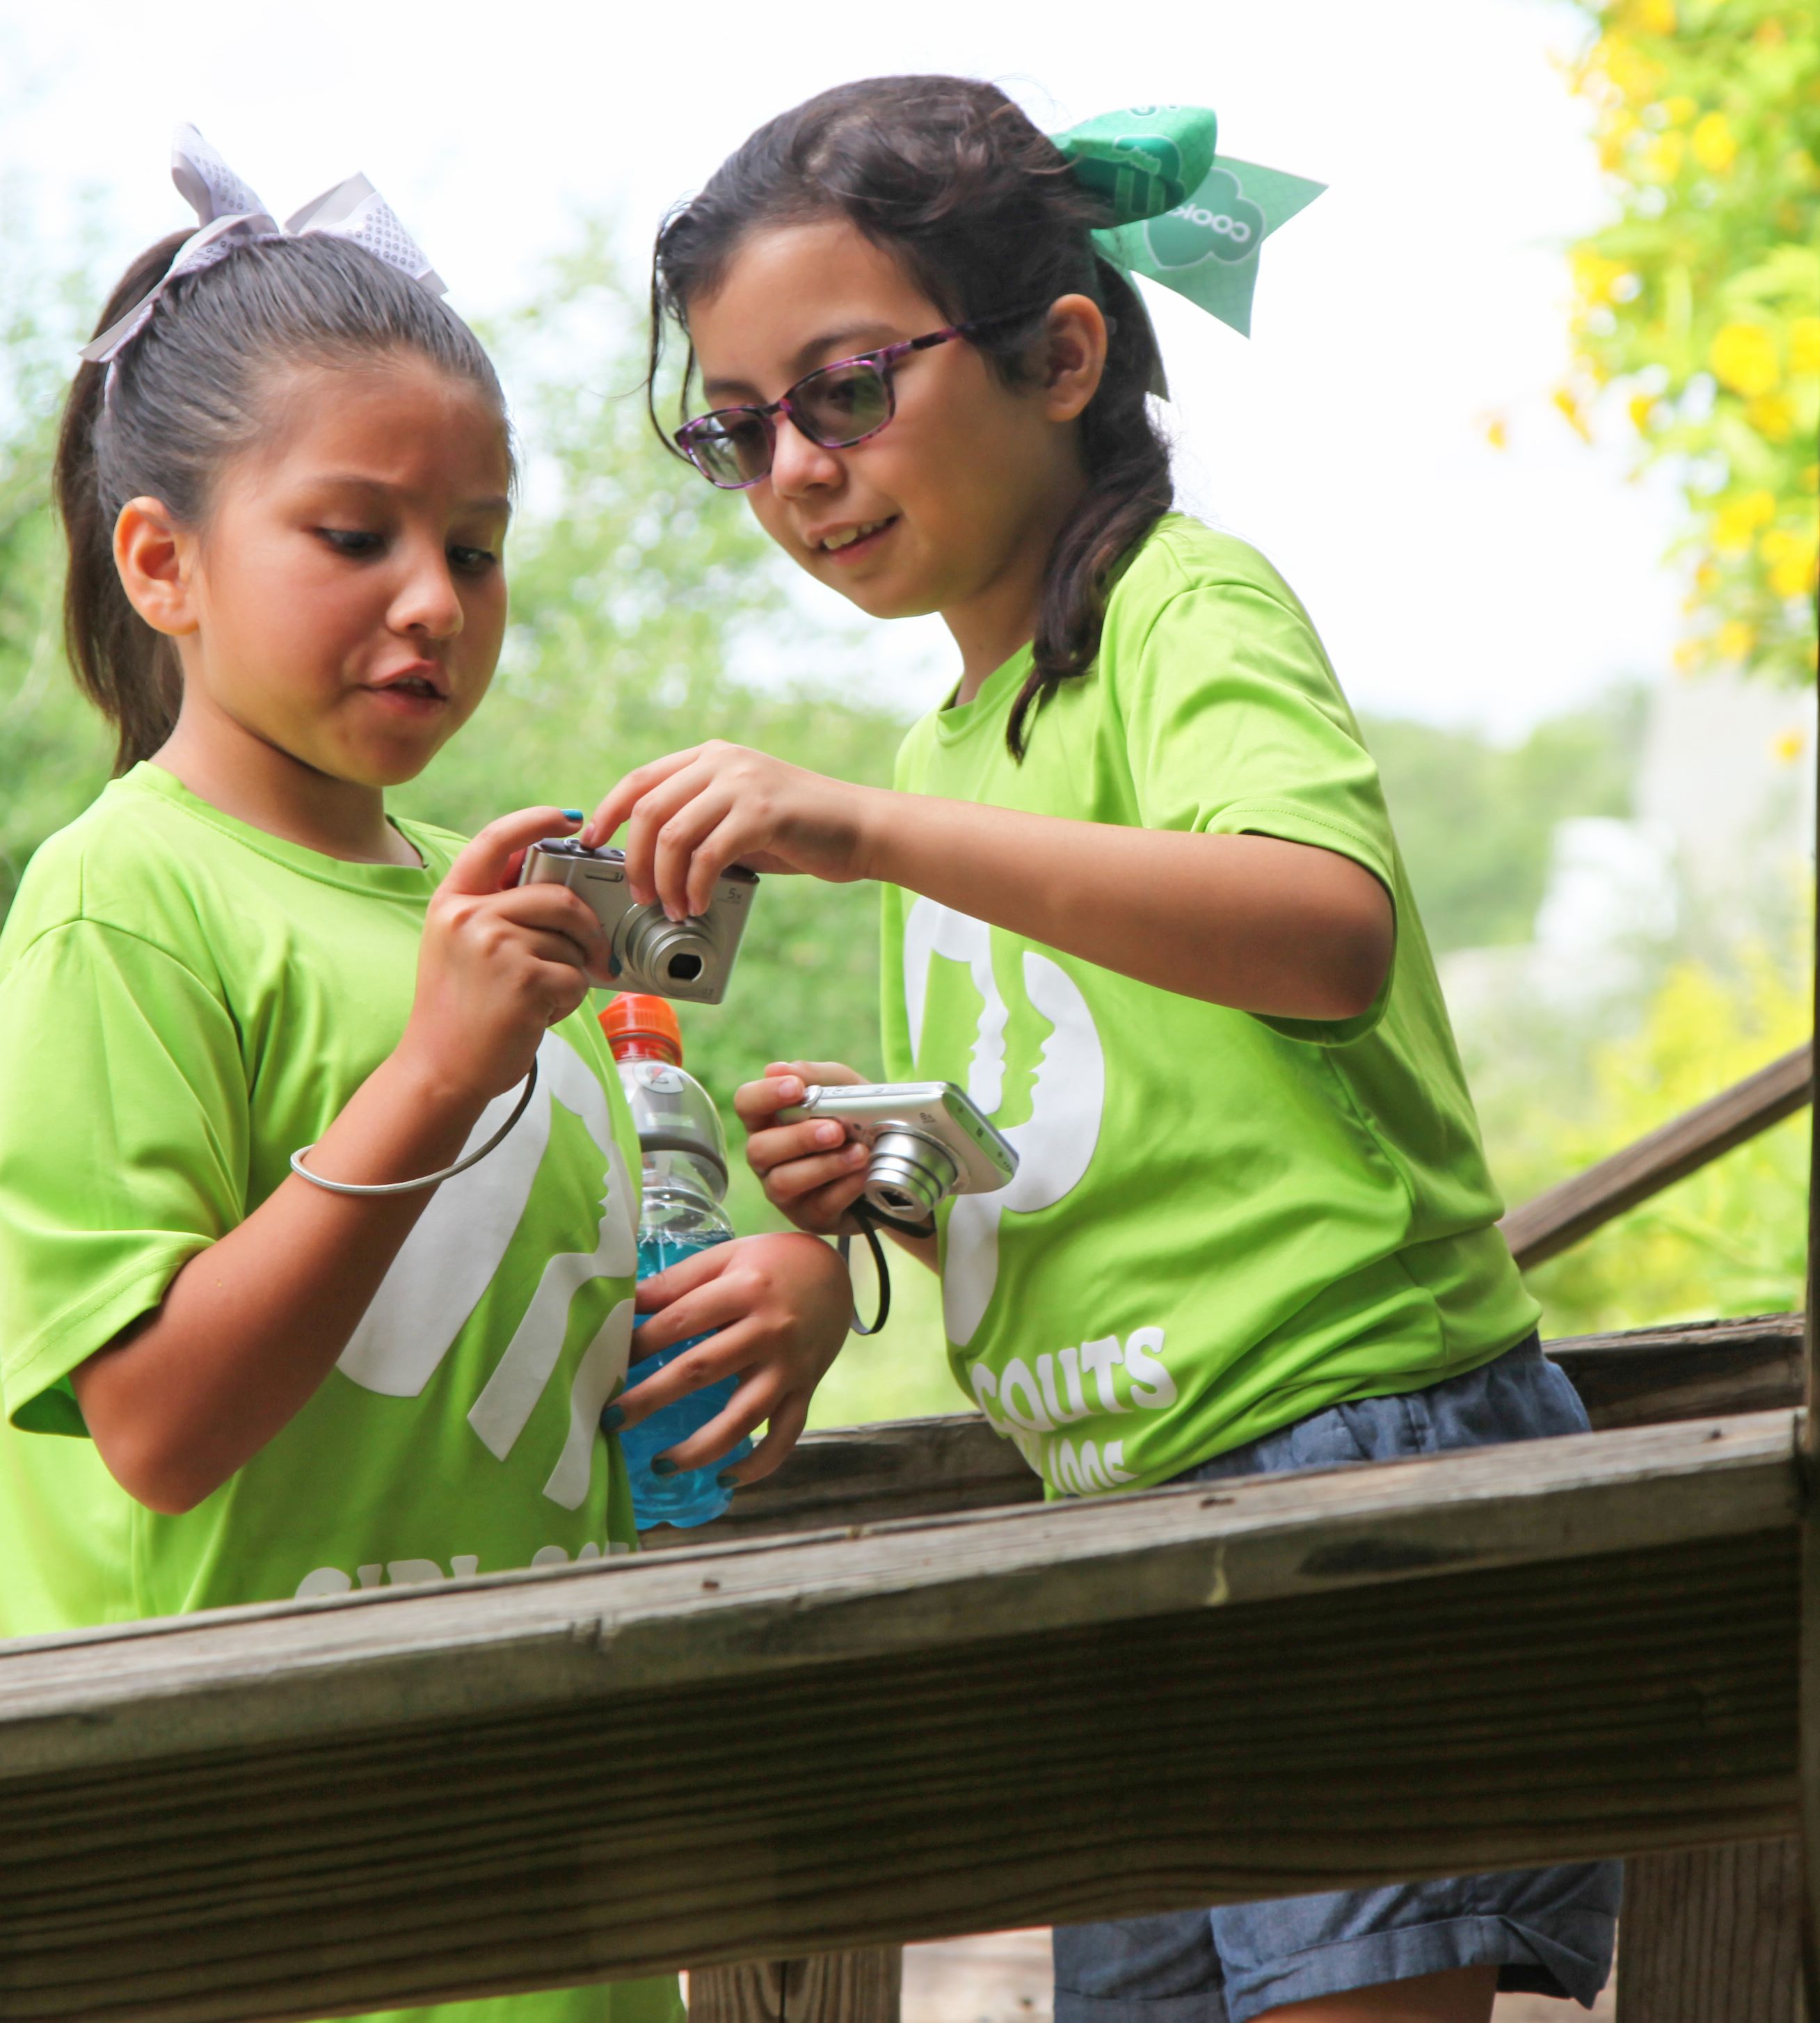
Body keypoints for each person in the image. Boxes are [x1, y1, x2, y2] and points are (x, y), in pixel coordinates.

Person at [589, 80, 1620, 2023]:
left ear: (1059, 354)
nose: (795, 468)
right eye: (738, 430)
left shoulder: (1176, 608)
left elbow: (1321, 929)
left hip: (1334, 1462)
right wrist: (865, 1203)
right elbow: (1072, 1129)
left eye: (842, 390)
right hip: (1122, 1508)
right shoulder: (939, 750)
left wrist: (862, 833)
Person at [0, 132, 849, 2023]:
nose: (436, 599)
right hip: (245, 1900)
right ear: (163, 563)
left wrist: (780, 1304)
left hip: (552, 1897)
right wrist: (437, 1071)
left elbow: (594, 1394)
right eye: (355, 531)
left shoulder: (505, 915)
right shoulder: (121, 899)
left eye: (475, 547)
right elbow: (151, 1418)